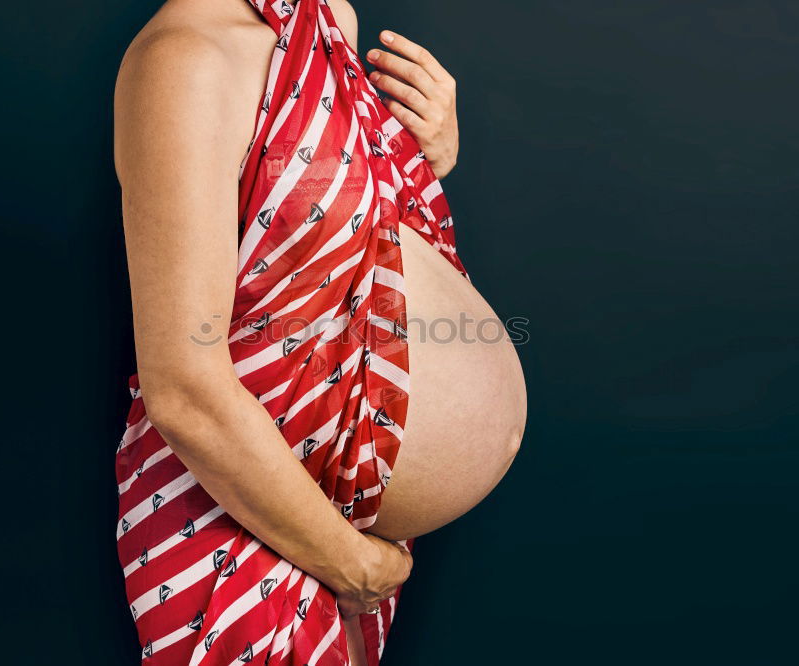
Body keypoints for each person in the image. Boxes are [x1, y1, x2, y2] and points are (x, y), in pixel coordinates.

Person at [113, 0, 527, 663]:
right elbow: (184, 388)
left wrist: (422, 158)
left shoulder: (325, 22)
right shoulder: (186, 61)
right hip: (248, 533)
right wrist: (350, 563)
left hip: (330, 522)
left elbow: (338, 253)